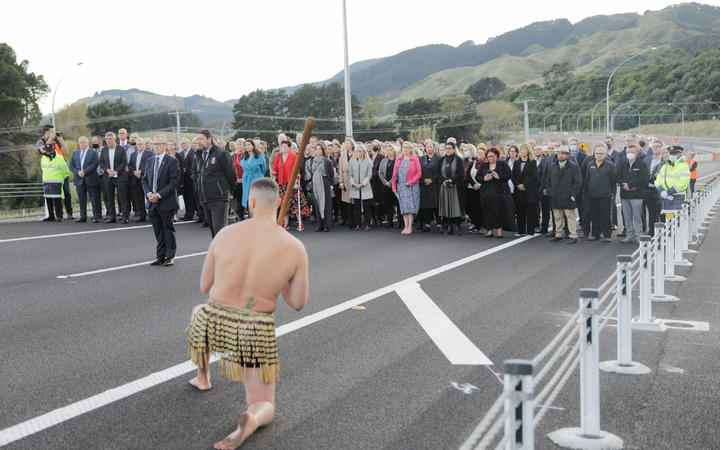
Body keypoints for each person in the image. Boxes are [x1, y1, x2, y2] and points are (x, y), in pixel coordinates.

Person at [187, 177, 309, 450]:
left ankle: (203, 376)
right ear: (278, 202)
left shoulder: (225, 234)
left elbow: (205, 285)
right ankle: (252, 418)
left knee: (199, 311)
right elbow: (298, 302)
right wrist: (283, 282)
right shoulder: (294, 247)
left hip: (215, 319)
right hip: (254, 327)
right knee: (264, 403)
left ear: (250, 202)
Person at [142, 135, 180, 266]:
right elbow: (145, 180)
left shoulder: (172, 161)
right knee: (157, 230)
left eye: (158, 144)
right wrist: (148, 194)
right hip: (152, 201)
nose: (155, 146)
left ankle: (170, 255)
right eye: (154, 144)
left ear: (165, 145)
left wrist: (159, 194)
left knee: (167, 229)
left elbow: (174, 182)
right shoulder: (150, 160)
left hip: (165, 201)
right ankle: (160, 255)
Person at [196, 130, 237, 238]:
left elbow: (232, 175)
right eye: (197, 139)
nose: (198, 141)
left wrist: (227, 191)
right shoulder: (199, 155)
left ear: (209, 139)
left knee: (220, 233)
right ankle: (218, 254)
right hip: (205, 199)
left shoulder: (221, 154)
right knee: (214, 233)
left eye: (201, 139)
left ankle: (225, 254)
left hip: (219, 198)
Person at [545, 145, 582, 243]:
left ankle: (573, 236)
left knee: (570, 216)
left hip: (568, 196)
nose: (560, 155)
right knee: (557, 217)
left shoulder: (574, 166)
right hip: (555, 196)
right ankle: (558, 234)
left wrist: (572, 194)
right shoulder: (552, 166)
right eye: (559, 153)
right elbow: (548, 180)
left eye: (563, 154)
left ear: (567, 155)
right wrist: (550, 191)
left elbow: (577, 182)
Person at [477, 147, 516, 238]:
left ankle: (499, 231)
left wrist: (499, 177)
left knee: (499, 211)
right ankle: (490, 231)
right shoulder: (483, 165)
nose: (490, 158)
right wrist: (484, 178)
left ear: (497, 155)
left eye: (492, 156)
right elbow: (478, 177)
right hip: (486, 193)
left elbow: (509, 175)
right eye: (488, 156)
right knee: (488, 211)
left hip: (500, 193)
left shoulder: (502, 164)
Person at [37, 124, 73, 219]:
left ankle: (69, 213)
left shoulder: (56, 140)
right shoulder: (41, 141)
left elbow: (66, 152)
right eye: (52, 131)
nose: (53, 133)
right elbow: (44, 149)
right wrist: (50, 139)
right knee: (51, 195)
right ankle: (52, 215)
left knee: (67, 192)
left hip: (61, 168)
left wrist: (60, 138)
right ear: (47, 132)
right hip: (50, 172)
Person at [584, 142, 617, 242]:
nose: (598, 155)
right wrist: (587, 192)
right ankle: (595, 234)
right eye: (597, 153)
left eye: (601, 153)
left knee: (605, 215)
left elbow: (613, 181)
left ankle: (607, 235)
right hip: (592, 195)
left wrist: (612, 192)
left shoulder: (610, 166)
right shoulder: (590, 165)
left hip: (605, 195)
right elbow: (587, 179)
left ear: (605, 154)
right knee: (594, 215)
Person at [617, 144, 649, 243]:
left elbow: (643, 178)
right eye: (628, 152)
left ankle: (639, 236)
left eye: (632, 152)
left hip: (637, 195)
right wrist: (624, 184)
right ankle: (629, 235)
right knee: (627, 216)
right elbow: (618, 176)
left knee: (637, 216)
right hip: (625, 195)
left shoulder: (642, 165)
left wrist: (630, 185)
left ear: (636, 153)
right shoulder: (623, 164)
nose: (629, 154)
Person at [99, 131, 130, 223]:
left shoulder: (121, 149)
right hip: (108, 177)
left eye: (110, 139)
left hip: (120, 177)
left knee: (123, 198)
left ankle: (125, 217)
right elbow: (101, 162)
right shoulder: (104, 150)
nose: (108, 141)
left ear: (114, 139)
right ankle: (112, 217)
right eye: (107, 139)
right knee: (109, 198)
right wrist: (107, 170)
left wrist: (115, 171)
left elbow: (124, 162)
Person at [69, 136, 102, 223]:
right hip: (79, 180)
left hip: (91, 178)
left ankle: (96, 216)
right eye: (80, 142)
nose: (82, 144)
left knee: (94, 199)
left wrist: (85, 172)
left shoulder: (93, 152)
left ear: (88, 143)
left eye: (83, 142)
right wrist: (78, 172)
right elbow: (71, 166)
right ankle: (83, 216)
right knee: (81, 199)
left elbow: (95, 164)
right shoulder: (75, 153)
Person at [392, 141, 421, 234]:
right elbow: (394, 174)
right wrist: (394, 186)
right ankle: (405, 226)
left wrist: (411, 182)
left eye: (407, 147)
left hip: (411, 186)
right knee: (404, 208)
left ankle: (410, 226)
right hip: (401, 186)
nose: (406, 149)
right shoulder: (399, 159)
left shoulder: (415, 159)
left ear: (411, 149)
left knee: (410, 208)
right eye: (404, 147)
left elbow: (419, 173)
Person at [438, 142, 464, 235]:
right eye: (446, 148)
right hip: (444, 187)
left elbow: (460, 174)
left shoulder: (459, 160)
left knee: (455, 207)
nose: (448, 150)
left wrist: (452, 180)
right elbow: (438, 173)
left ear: (454, 149)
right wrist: (443, 181)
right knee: (446, 206)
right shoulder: (441, 160)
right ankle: (449, 226)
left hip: (455, 187)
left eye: (450, 148)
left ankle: (456, 226)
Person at [511, 143, 538, 236]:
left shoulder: (533, 162)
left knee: (530, 212)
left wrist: (524, 184)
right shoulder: (516, 162)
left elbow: (534, 176)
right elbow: (513, 176)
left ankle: (531, 231)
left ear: (528, 151)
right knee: (519, 211)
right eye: (522, 149)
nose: (523, 151)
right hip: (518, 191)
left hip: (529, 190)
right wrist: (518, 185)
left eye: (525, 149)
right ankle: (521, 231)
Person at [655, 145, 691, 212]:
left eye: (674, 153)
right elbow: (658, 180)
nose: (672, 155)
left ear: (680, 154)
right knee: (668, 220)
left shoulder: (683, 166)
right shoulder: (665, 166)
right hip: (665, 198)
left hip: (678, 198)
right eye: (671, 153)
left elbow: (683, 183)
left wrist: (668, 192)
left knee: (678, 220)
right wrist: (662, 191)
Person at [310, 141, 335, 232]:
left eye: (320, 149)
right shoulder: (313, 161)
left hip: (324, 183)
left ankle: (327, 225)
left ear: (323, 150)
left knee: (326, 205)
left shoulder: (327, 161)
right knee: (317, 204)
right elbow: (311, 172)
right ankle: (320, 225)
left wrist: (329, 184)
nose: (318, 151)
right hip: (315, 184)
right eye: (316, 149)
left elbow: (331, 175)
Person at [418, 139, 441, 232]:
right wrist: (423, 180)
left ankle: (439, 224)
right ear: (425, 148)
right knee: (426, 205)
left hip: (435, 185)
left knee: (436, 205)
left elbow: (440, 171)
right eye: (427, 147)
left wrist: (432, 180)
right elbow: (419, 171)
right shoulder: (421, 159)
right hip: (424, 185)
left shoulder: (439, 158)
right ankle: (427, 224)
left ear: (434, 148)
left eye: (430, 146)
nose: (428, 148)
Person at [350, 144, 374, 231]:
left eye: (360, 151)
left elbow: (369, 175)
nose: (359, 152)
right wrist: (353, 184)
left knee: (366, 206)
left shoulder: (368, 162)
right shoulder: (353, 162)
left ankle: (368, 224)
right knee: (357, 207)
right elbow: (351, 175)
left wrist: (362, 184)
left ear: (364, 152)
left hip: (365, 187)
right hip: (355, 187)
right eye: (357, 151)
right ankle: (358, 224)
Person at [128, 137, 153, 222]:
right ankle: (142, 216)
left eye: (141, 144)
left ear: (144, 145)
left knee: (149, 197)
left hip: (145, 178)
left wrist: (141, 171)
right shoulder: (133, 154)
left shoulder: (149, 153)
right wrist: (134, 172)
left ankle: (152, 214)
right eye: (138, 144)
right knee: (138, 198)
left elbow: (150, 165)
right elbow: (129, 165)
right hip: (135, 179)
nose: (139, 145)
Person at [240, 139, 268, 214]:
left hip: (257, 178)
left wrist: (258, 176)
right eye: (246, 145)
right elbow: (243, 168)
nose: (247, 146)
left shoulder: (260, 156)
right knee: (248, 199)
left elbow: (264, 169)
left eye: (249, 145)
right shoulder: (243, 157)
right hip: (246, 180)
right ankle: (250, 217)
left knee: (257, 199)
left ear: (253, 146)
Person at [378, 144, 400, 228]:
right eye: (388, 150)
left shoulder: (397, 160)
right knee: (388, 204)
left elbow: (398, 173)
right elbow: (380, 173)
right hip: (386, 186)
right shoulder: (383, 161)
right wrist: (386, 182)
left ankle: (399, 222)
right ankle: (389, 221)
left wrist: (391, 182)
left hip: (396, 186)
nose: (389, 152)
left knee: (398, 205)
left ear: (394, 151)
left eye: (391, 150)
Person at [645, 140, 664, 235]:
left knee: (662, 211)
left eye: (658, 146)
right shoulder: (647, 159)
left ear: (661, 148)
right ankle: (652, 230)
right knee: (652, 212)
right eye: (654, 146)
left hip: (660, 190)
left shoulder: (664, 161)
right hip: (649, 189)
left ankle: (664, 230)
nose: (655, 148)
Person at [179, 138, 198, 221]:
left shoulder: (193, 152)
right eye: (181, 144)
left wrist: (190, 172)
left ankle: (190, 214)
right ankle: (187, 212)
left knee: (191, 197)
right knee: (185, 197)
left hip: (191, 178)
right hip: (184, 179)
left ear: (189, 143)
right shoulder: (180, 154)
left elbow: (195, 165)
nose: (182, 145)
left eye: (184, 143)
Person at [338, 139, 355, 228]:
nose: (347, 145)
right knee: (347, 202)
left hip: (354, 180)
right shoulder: (343, 155)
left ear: (352, 145)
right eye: (346, 144)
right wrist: (341, 181)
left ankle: (356, 221)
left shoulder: (355, 153)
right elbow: (340, 169)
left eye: (348, 143)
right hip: (345, 179)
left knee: (354, 202)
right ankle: (350, 221)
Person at [231, 140, 245, 222]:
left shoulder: (246, 155)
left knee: (243, 199)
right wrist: (235, 178)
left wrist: (243, 179)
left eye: (240, 144)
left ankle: (242, 216)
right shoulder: (233, 156)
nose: (238, 146)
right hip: (236, 180)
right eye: (237, 144)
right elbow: (231, 168)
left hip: (245, 180)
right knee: (236, 199)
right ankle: (238, 215)